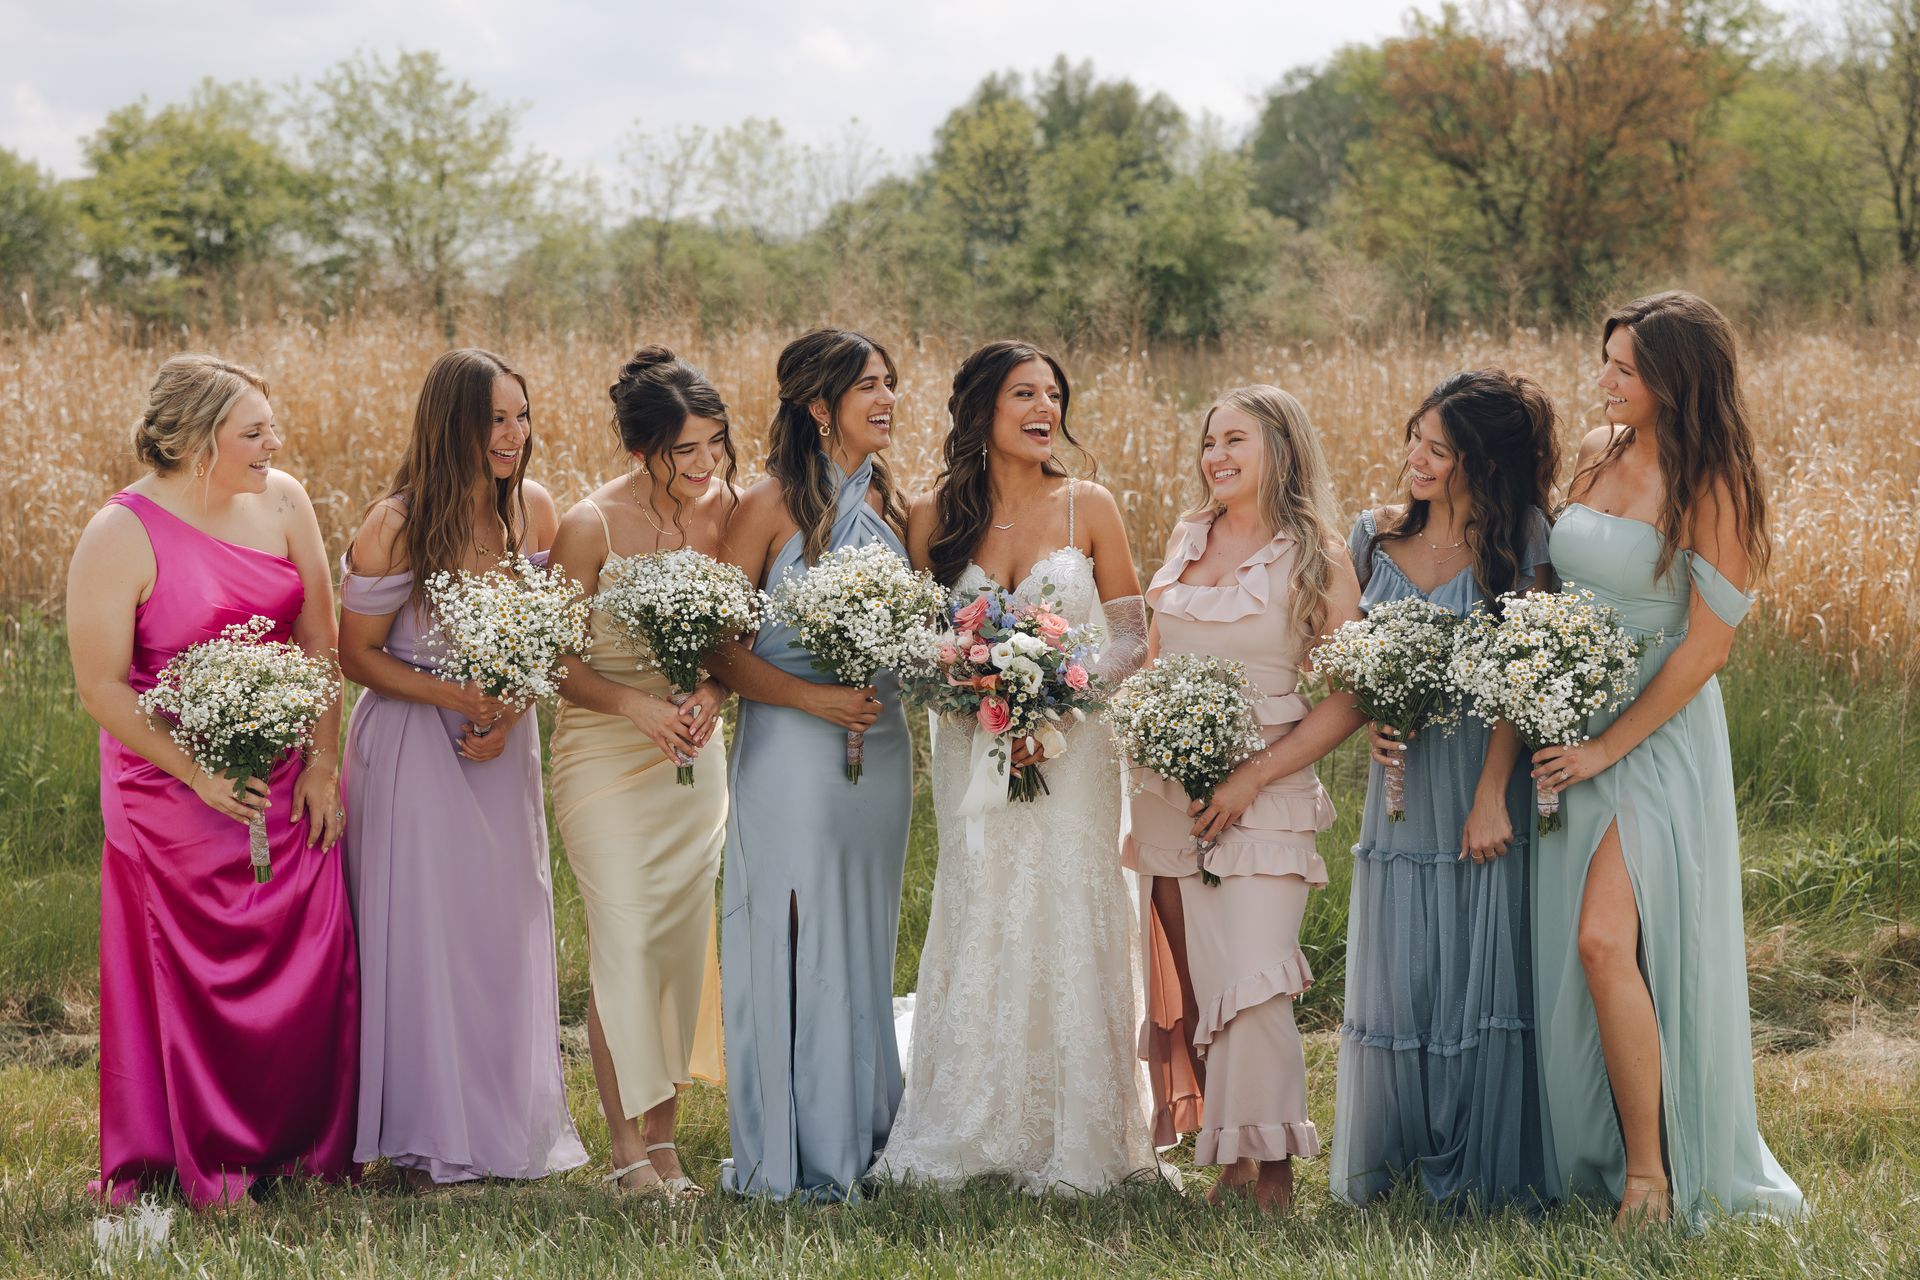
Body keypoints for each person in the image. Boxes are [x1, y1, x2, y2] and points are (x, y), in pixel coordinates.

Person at [1530, 291, 1802, 1228]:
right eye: (1603, 358)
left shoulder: (1711, 481)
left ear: (1674, 382)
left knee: (1607, 941)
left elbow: (1707, 648)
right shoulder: (1600, 452)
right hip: (1571, 717)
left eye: (1624, 369)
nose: (1603, 379)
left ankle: (1651, 1175)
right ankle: (1599, 1149)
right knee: (1591, 953)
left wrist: (1609, 741)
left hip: (1656, 732)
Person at [68, 353, 357, 1208]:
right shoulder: (118, 532)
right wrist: (195, 772)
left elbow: (318, 639)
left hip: (284, 767)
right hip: (167, 782)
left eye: (273, 425)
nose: (276, 442)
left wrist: (322, 761)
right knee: (194, 967)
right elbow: (103, 687)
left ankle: (300, 1146)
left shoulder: (285, 498)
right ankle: (200, 1152)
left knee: (314, 945)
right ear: (198, 441)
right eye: (254, 431)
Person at [882, 340, 1159, 1194]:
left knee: (1068, 907)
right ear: (980, 411)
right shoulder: (929, 517)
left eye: (1053, 396)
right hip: (971, 748)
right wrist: (973, 686)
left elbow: (1131, 636)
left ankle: (1076, 1130)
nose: (1045, 410)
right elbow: (912, 643)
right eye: (1023, 395)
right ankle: (972, 1118)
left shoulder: (1090, 505)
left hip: (1070, 755)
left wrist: (1057, 700)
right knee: (984, 905)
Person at [338, 347, 585, 1188]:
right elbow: (357, 655)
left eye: (522, 416)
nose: (514, 436)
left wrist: (508, 705)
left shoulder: (533, 514)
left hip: (497, 747)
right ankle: (419, 1136)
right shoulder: (397, 523)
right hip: (412, 749)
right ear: (453, 426)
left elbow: (539, 640)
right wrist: (456, 694)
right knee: (423, 934)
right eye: (495, 420)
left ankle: (498, 1121)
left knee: (500, 930)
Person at [1125, 385, 1365, 1214]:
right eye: (1208, 441)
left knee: (1258, 977)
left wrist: (1252, 774)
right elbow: (1152, 659)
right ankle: (1230, 1166)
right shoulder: (1186, 541)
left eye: (1236, 441)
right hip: (1174, 795)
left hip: (1267, 791)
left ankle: (1274, 1175)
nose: (1216, 457)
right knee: (1215, 981)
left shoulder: (1318, 556)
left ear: (1282, 451)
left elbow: (1349, 694)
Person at [1328, 369, 1557, 1211]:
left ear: (1481, 463)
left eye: (1439, 449)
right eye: (1414, 441)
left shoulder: (1524, 538)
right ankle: (1395, 1155)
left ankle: (1477, 1159)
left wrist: (1494, 793)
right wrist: (1372, 716)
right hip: (1398, 785)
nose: (1416, 460)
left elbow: (1520, 679)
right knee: (1403, 970)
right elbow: (1346, 671)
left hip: (1478, 779)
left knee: (1477, 962)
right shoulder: (1371, 538)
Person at [707, 328, 912, 1200]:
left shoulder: (897, 507)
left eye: (892, 383)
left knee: (863, 937)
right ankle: (792, 1153)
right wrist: (811, 699)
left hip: (883, 750)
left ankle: (867, 1137)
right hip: (791, 749)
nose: (889, 399)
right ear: (820, 406)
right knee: (792, 932)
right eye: (870, 385)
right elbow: (717, 651)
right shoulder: (766, 507)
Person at [547, 346, 735, 1197]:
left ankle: (666, 1144)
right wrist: (638, 708)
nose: (703, 467)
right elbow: (552, 659)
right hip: (604, 750)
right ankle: (624, 1149)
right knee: (624, 938)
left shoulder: (730, 511)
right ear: (639, 451)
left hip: (692, 757)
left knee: (680, 947)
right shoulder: (589, 523)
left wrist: (709, 694)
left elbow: (737, 639)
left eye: (714, 446)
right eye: (683, 451)